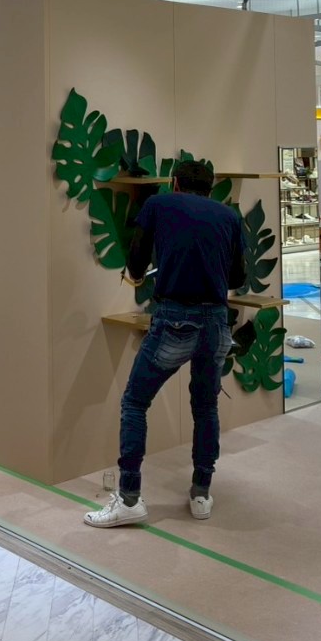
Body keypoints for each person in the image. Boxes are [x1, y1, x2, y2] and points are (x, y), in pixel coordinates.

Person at [84, 160, 246, 529]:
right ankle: (201, 493)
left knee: (135, 402)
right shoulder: (229, 216)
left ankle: (129, 498)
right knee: (205, 407)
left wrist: (142, 272)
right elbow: (238, 275)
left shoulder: (158, 204)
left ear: (174, 183)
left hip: (175, 318)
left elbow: (137, 261)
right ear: (210, 187)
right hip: (216, 322)